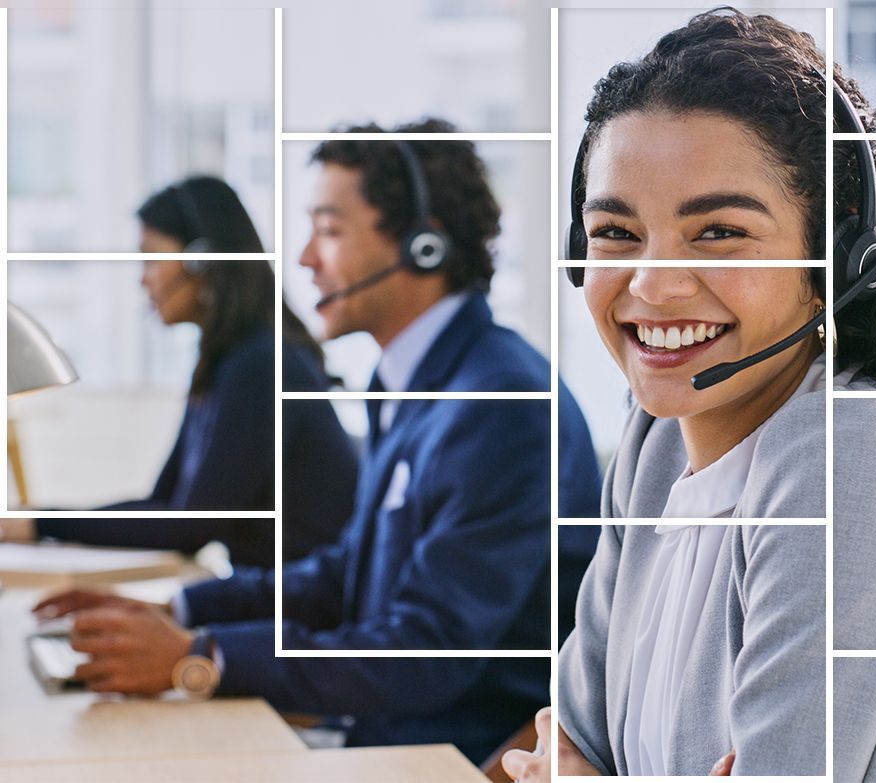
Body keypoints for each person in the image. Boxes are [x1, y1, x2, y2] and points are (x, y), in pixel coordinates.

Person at [538, 8, 876, 781]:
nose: (653, 284)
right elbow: (567, 738)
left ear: (835, 261)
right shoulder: (656, 440)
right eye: (614, 232)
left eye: (719, 232)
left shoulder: (853, 451)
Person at [34, 123, 602, 765]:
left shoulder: (501, 406)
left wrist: (203, 658)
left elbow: (424, 655)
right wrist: (180, 609)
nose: (304, 259)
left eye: (328, 231)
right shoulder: (409, 382)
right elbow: (344, 573)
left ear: (423, 245)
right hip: (375, 733)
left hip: (440, 758)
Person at [0, 177, 358, 568]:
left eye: (151, 258)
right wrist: (39, 519)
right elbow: (165, 504)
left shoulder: (262, 365)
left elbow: (189, 526)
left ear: (200, 261)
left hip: (298, 599)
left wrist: (44, 523)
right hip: (264, 590)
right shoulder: (224, 362)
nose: (143, 278)